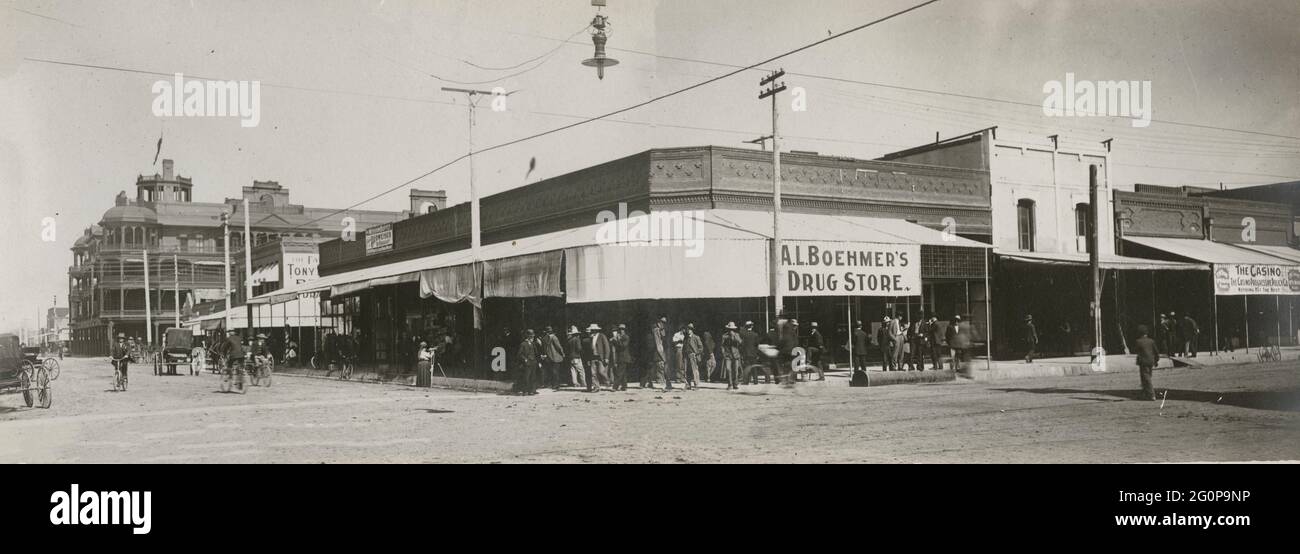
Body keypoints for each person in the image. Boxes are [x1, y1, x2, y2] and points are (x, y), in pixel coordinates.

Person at [1133, 325, 1159, 401]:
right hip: (1151, 361)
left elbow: (1136, 351)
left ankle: (1151, 394)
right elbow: (1156, 352)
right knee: (1147, 377)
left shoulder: (1138, 341)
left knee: (1146, 378)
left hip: (1143, 362)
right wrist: (1156, 360)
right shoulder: (1151, 341)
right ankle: (1145, 393)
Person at [585, 324, 611, 392]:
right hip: (592, 357)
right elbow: (589, 350)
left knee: (601, 372)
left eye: (593, 330)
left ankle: (608, 384)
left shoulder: (602, 336)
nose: (592, 331)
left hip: (600, 357)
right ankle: (596, 387)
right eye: (591, 330)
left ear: (596, 330)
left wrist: (606, 357)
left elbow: (607, 347)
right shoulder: (591, 337)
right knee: (593, 373)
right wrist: (588, 359)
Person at [647, 317, 670, 390]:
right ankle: (661, 383)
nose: (663, 324)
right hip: (658, 351)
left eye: (664, 323)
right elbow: (658, 343)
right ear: (659, 322)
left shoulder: (661, 330)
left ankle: (660, 382)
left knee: (660, 367)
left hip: (661, 350)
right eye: (662, 322)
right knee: (660, 366)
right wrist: (662, 354)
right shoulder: (656, 330)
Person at [516, 329, 540, 396]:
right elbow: (519, 354)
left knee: (533, 377)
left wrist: (538, 360)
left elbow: (536, 353)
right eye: (531, 336)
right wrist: (525, 359)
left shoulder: (533, 344)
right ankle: (525, 391)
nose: (532, 337)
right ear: (528, 337)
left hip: (533, 362)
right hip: (527, 363)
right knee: (526, 377)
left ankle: (532, 390)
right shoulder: (523, 344)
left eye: (533, 336)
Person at [720, 322, 742, 390]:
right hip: (728, 355)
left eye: (732, 329)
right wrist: (723, 353)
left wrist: (734, 337)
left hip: (735, 355)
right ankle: (730, 384)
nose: (731, 330)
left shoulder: (737, 335)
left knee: (735, 370)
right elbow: (722, 345)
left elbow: (740, 342)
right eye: (730, 329)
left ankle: (735, 383)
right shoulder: (724, 336)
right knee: (728, 369)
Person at [610, 324, 631, 391]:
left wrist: (617, 340)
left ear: (625, 330)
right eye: (620, 329)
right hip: (619, 357)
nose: (621, 331)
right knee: (623, 372)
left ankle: (615, 387)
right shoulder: (619, 337)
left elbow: (623, 346)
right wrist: (613, 340)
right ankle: (624, 386)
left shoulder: (626, 337)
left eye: (623, 329)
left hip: (624, 357)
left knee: (619, 372)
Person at [683, 323, 704, 390]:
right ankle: (688, 384)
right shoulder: (686, 338)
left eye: (690, 329)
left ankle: (696, 384)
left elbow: (701, 348)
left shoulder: (696, 337)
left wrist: (696, 353)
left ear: (692, 330)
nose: (688, 330)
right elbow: (684, 347)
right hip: (686, 355)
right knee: (687, 370)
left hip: (693, 355)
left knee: (694, 370)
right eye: (687, 329)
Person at [740, 321, 760, 385]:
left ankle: (746, 381)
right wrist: (757, 353)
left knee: (747, 368)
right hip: (753, 354)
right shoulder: (755, 334)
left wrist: (742, 353)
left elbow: (742, 345)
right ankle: (755, 381)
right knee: (754, 367)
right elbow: (757, 345)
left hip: (746, 353)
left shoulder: (744, 335)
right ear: (752, 326)